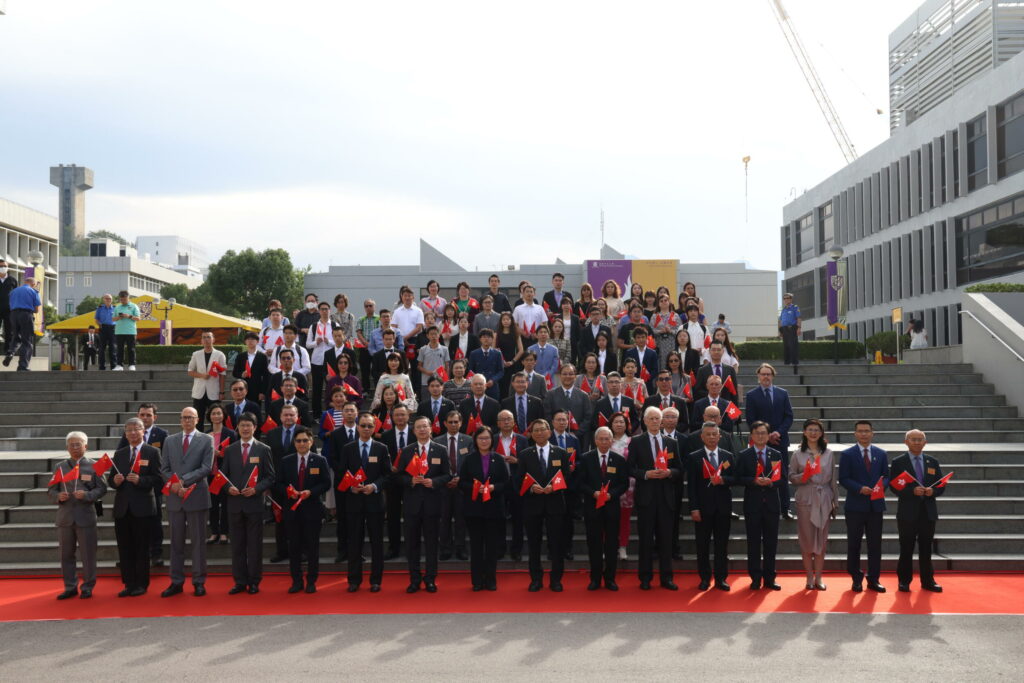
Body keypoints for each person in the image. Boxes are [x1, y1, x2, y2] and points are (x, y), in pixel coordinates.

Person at [159, 407, 214, 597]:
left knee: (198, 542)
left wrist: (185, 480)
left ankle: (199, 581)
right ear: (180, 420)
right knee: (176, 542)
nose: (187, 420)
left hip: (196, 495)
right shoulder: (170, 440)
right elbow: (164, 467)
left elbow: (206, 467)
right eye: (184, 417)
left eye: (190, 417)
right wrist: (175, 484)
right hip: (175, 496)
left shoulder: (207, 439)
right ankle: (176, 581)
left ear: (197, 419)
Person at [221, 413, 276, 594]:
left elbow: (270, 477)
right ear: (237, 428)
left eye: (249, 425)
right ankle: (239, 581)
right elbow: (222, 477)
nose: (245, 429)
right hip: (235, 504)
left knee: (254, 546)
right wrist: (228, 488)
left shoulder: (263, 449)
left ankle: (254, 581)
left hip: (254, 503)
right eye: (242, 425)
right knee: (237, 545)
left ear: (255, 427)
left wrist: (257, 489)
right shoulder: (230, 450)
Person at [48, 430, 107, 599]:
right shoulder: (60, 466)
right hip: (65, 517)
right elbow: (51, 489)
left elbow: (102, 488)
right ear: (67, 447)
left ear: (86, 446)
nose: (74, 447)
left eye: (78, 444)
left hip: (86, 516)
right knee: (66, 554)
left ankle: (88, 586)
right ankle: (70, 586)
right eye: (71, 445)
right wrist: (58, 496)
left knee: (88, 554)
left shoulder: (95, 465)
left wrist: (88, 495)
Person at [396, 416, 452, 593]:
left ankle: (430, 579)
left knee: (431, 544)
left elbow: (448, 474)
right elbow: (397, 477)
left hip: (432, 504)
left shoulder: (440, 450)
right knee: (412, 544)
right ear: (414, 431)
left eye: (425, 427)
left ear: (431, 429)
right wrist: (410, 480)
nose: (422, 430)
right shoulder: (406, 451)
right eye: (418, 427)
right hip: (412, 505)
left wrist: (433, 482)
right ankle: (414, 579)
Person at [109, 418, 161, 597]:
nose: (132, 433)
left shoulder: (152, 452)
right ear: (125, 433)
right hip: (123, 509)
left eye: (136, 429)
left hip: (143, 508)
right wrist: (114, 481)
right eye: (129, 430)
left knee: (141, 547)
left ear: (142, 431)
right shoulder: (120, 453)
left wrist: (141, 480)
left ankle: (141, 583)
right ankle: (129, 583)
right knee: (125, 548)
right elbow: (111, 479)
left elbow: (159, 479)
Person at [890, 429, 946, 593]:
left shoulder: (932, 461)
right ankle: (904, 581)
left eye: (920, 439)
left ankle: (928, 581)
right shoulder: (898, 461)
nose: (916, 442)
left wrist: (932, 492)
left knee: (926, 548)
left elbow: (941, 485)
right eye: (913, 439)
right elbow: (895, 486)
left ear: (925, 443)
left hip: (927, 512)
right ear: (906, 442)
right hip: (907, 512)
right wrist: (911, 491)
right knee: (906, 547)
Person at [518, 418, 571, 592]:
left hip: (555, 504)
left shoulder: (561, 453)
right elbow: (518, 480)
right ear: (531, 435)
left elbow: (567, 478)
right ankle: (536, 579)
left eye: (543, 430)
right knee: (534, 545)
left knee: (556, 544)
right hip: (532, 505)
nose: (540, 433)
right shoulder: (525, 454)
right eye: (536, 431)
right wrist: (531, 488)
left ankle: (556, 579)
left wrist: (553, 487)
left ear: (549, 432)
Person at [276, 426, 331, 593]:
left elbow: (326, 483)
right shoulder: (286, 461)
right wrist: (288, 492)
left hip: (312, 510)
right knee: (294, 547)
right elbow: (278, 483)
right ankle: (296, 581)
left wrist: (311, 492)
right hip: (292, 511)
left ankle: (312, 581)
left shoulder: (319, 460)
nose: (301, 443)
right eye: (298, 441)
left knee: (312, 547)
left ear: (311, 441)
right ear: (294, 443)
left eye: (305, 440)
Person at [631, 407, 680, 590]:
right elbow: (630, 468)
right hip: (646, 497)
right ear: (644, 421)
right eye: (650, 418)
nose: (654, 421)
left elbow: (679, 469)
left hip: (666, 498)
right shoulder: (636, 442)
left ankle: (666, 578)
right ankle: (645, 577)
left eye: (657, 419)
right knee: (645, 540)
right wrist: (645, 474)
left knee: (666, 540)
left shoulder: (671, 442)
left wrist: (669, 472)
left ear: (661, 422)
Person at [114, 403, 169, 568]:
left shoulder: (162, 434)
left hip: (153, 489)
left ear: (155, 417)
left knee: (155, 521)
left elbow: (164, 461)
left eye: (148, 415)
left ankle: (156, 553)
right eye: (142, 415)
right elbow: (120, 458)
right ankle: (128, 556)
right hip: (130, 489)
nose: (145, 418)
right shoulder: (128, 434)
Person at [343, 412, 392, 592]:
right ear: (357, 427)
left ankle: (376, 580)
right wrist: (350, 487)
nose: (366, 429)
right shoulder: (348, 448)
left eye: (370, 426)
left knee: (377, 542)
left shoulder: (381, 448)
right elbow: (341, 473)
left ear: (374, 428)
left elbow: (387, 475)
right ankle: (354, 580)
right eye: (363, 425)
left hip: (374, 502)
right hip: (354, 502)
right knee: (354, 542)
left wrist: (375, 486)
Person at [839, 420, 889, 593]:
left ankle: (874, 579)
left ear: (872, 433)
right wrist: (859, 489)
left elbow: (886, 476)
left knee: (875, 544)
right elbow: (843, 478)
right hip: (855, 507)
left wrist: (879, 487)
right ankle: (856, 577)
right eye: (860, 431)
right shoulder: (847, 454)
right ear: (855, 434)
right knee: (854, 544)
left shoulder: (881, 454)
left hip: (876, 506)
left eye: (867, 431)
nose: (864, 434)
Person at [578, 426, 629, 591]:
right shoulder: (586, 458)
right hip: (592, 508)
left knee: (611, 544)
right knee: (594, 544)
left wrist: (611, 495)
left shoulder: (619, 459)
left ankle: (610, 579)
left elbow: (624, 484)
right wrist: (593, 493)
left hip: (612, 507)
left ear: (612, 440)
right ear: (595, 440)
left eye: (607, 439)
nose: (604, 442)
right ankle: (595, 578)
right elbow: (579, 482)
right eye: (601, 439)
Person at [789, 418, 838, 590]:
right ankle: (809, 577)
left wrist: (835, 502)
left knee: (821, 541)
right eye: (810, 429)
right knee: (807, 540)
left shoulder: (829, 453)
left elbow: (833, 480)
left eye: (816, 430)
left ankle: (819, 578)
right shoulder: (797, 454)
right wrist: (804, 476)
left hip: (824, 497)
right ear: (804, 432)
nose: (813, 432)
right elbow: (791, 476)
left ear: (821, 433)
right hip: (805, 497)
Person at [735, 421, 783, 590]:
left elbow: (782, 480)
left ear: (768, 435)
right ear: (752, 436)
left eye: (764, 433)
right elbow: (738, 478)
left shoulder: (776, 454)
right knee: (753, 543)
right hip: (753, 505)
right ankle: (755, 577)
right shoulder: (744, 455)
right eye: (757, 433)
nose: (761, 436)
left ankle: (770, 578)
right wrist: (753, 481)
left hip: (771, 505)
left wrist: (771, 483)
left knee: (771, 543)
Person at [745, 363, 796, 520]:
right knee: (760, 473)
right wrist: (766, 435)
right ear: (758, 377)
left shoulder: (782, 393)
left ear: (773, 376)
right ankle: (763, 506)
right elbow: (751, 419)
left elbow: (789, 416)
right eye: (763, 374)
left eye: (768, 374)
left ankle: (785, 508)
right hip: (761, 442)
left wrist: (777, 433)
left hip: (780, 441)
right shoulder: (752, 395)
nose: (766, 377)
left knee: (781, 475)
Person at [688, 421, 735, 591]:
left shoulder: (727, 456)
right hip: (702, 508)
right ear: (702, 437)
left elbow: (734, 478)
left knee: (721, 545)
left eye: (714, 434)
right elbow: (691, 486)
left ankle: (721, 578)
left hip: (723, 508)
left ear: (720, 436)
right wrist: (694, 508)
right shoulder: (694, 457)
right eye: (708, 434)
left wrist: (723, 480)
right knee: (703, 545)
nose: (711, 437)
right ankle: (705, 578)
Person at [458, 426, 507, 591]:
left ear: (491, 440)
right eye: (481, 438)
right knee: (476, 546)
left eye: (487, 438)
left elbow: (506, 483)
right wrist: (474, 487)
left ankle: (491, 580)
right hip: (474, 509)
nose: (484, 441)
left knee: (491, 546)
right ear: (475, 441)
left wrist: (493, 487)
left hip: (493, 509)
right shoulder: (469, 459)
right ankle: (477, 581)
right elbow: (462, 482)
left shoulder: (499, 459)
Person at [435, 408, 472, 561]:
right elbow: (435, 466)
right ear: (444, 423)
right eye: (450, 422)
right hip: (443, 487)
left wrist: (460, 479)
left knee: (460, 519)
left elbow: (471, 463)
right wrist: (447, 479)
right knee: (444, 519)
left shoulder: (469, 440)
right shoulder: (437, 441)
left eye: (456, 422)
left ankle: (460, 548)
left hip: (461, 486)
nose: (453, 424)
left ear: (461, 423)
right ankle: (445, 548)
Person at [380, 405, 412, 560]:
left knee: (411, 515)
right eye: (397, 415)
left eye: (403, 415)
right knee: (393, 516)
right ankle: (394, 548)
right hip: (392, 481)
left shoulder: (415, 432)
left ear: (408, 416)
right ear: (392, 417)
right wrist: (389, 467)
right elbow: (382, 459)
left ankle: (411, 547)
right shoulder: (386, 436)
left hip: (412, 481)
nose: (400, 418)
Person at [205, 403, 236, 545]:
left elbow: (235, 456)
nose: (216, 416)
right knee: (212, 505)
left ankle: (224, 533)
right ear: (209, 416)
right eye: (213, 413)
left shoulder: (231, 434)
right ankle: (214, 532)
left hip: (224, 475)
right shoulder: (205, 435)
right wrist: (212, 454)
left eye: (219, 413)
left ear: (223, 416)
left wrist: (221, 454)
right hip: (210, 475)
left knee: (225, 505)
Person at [188, 331, 226, 432]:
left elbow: (222, 374)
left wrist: (222, 392)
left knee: (215, 417)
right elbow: (190, 371)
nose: (206, 339)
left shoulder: (219, 355)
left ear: (213, 339)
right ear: (201, 341)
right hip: (199, 392)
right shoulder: (196, 354)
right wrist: (201, 375)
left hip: (214, 391)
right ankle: (198, 437)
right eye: (204, 337)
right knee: (198, 418)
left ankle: (215, 436)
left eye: (208, 337)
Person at [3, 275, 41, 371]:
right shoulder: (34, 292)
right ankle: (22, 366)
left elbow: (10, 304)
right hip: (26, 315)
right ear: (33, 284)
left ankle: (10, 352)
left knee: (16, 337)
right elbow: (36, 310)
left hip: (13, 315)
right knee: (27, 341)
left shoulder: (13, 292)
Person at [306, 301, 337, 415]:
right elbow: (308, 344)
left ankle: (333, 413)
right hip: (317, 361)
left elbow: (339, 342)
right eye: (322, 309)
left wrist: (329, 342)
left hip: (331, 362)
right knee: (317, 389)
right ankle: (316, 414)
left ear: (330, 311)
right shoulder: (314, 326)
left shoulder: (334, 325)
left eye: (326, 309)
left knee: (333, 389)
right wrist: (316, 342)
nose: (324, 311)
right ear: (319, 311)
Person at [232, 332, 270, 405]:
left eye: (252, 339)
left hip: (257, 389)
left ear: (257, 341)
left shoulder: (262, 357)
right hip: (242, 389)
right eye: (248, 339)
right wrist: (241, 374)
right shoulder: (240, 356)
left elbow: (266, 376)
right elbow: (235, 372)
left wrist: (263, 392)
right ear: (245, 341)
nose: (250, 341)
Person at [467, 329, 504, 401]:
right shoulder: (474, 353)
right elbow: (470, 370)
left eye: (489, 337)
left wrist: (493, 380)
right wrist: (477, 381)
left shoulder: (497, 353)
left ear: (492, 339)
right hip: (478, 386)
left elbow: (501, 371)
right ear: (480, 339)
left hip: (492, 386)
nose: (486, 339)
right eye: (484, 337)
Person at [110, 290, 141, 371]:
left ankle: (132, 364)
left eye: (125, 299)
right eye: (121, 299)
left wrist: (129, 316)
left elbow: (138, 318)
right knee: (119, 349)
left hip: (131, 331)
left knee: (131, 349)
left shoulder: (134, 306)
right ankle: (119, 365)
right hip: (119, 331)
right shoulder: (117, 307)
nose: (123, 301)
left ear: (128, 298)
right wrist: (119, 317)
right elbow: (113, 318)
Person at [356, 299, 379, 390]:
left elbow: (380, 332)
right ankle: (366, 390)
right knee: (364, 370)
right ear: (364, 308)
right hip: (364, 348)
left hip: (376, 348)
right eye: (366, 306)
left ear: (374, 307)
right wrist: (366, 343)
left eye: (371, 305)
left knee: (376, 370)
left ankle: (378, 389)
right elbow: (359, 332)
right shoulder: (361, 319)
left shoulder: (379, 318)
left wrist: (372, 344)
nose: (368, 307)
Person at [93, 293, 118, 371]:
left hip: (112, 328)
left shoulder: (115, 308)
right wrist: (100, 325)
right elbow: (96, 319)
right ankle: (102, 367)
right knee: (101, 348)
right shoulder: (100, 308)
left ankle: (113, 366)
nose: (108, 300)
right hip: (103, 328)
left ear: (112, 300)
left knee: (113, 348)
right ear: (103, 299)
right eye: (106, 298)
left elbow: (118, 318)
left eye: (109, 298)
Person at [779, 292, 801, 373]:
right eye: (784, 298)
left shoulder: (795, 307)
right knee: (786, 346)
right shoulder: (783, 309)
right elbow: (780, 320)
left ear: (791, 299)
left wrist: (799, 328)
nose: (786, 300)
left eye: (787, 298)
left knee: (793, 346)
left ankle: (795, 363)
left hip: (792, 328)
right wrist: (780, 331)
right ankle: (787, 363)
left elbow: (798, 318)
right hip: (784, 329)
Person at [0, 258, 16, 356]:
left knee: (9, 331)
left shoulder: (12, 280)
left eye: (5, 266)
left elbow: (16, 295)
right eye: (1, 266)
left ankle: (8, 351)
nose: (3, 268)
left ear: (8, 267)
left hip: (9, 310)